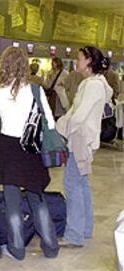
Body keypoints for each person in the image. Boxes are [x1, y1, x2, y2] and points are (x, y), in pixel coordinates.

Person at [0, 46, 59, 260]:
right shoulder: (36, 90)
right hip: (31, 150)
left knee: (11, 201)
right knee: (37, 198)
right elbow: (50, 123)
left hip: (7, 149)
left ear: (3, 64)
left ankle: (17, 248)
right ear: (25, 65)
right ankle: (51, 247)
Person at [56, 46, 113, 248]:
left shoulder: (93, 86)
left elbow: (78, 115)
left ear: (89, 61)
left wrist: (60, 127)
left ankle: (74, 235)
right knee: (82, 185)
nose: (76, 61)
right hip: (84, 139)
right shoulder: (93, 83)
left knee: (73, 186)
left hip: (81, 140)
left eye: (79, 58)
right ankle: (85, 229)